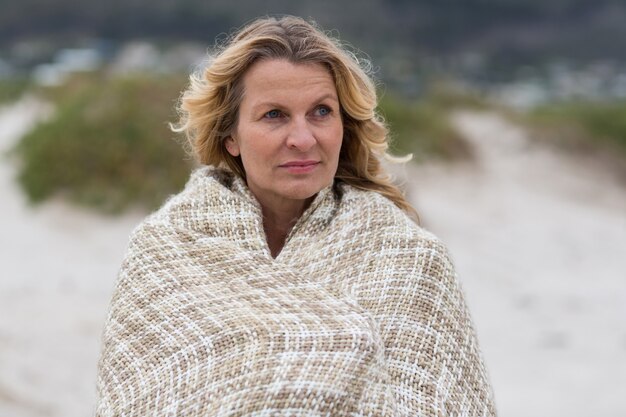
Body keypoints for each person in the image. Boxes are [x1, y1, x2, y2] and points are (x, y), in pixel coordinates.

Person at [95, 15, 497, 417]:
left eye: (321, 112)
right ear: (230, 135)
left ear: (344, 125)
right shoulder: (164, 254)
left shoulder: (411, 260)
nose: (303, 139)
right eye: (274, 115)